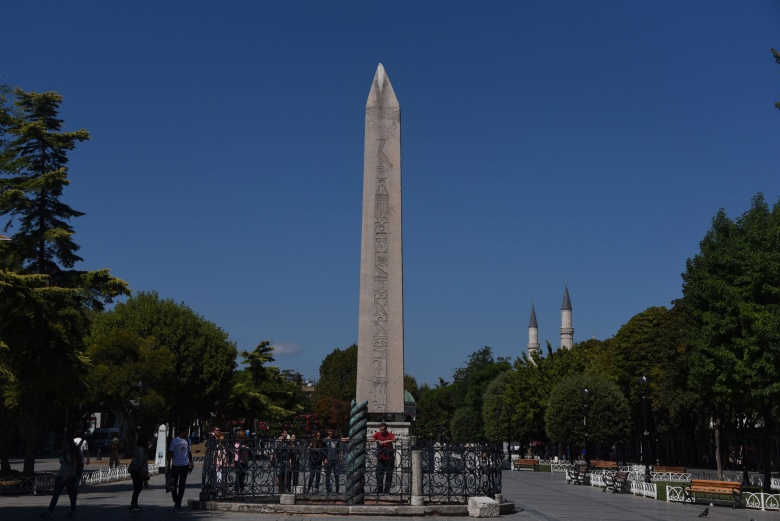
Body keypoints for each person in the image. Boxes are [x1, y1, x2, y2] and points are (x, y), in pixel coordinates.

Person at [41, 439, 80, 519]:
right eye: (63, 444)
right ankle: (49, 512)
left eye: (65, 444)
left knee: (72, 495)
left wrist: (67, 476)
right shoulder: (63, 453)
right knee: (55, 494)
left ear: (69, 445)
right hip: (60, 476)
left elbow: (74, 467)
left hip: (70, 477)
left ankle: (73, 511)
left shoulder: (73, 454)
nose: (64, 445)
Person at [167, 426, 194, 509]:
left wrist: (191, 463)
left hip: (185, 465)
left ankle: (178, 502)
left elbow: (189, 452)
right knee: (173, 485)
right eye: (186, 431)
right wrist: (168, 465)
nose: (187, 433)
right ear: (182, 432)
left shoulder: (188, 441)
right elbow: (170, 453)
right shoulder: (175, 441)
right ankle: (175, 499)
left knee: (182, 485)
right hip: (176, 465)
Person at [128, 433, 150, 512]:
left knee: (138, 488)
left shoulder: (143, 450)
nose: (148, 444)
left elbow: (144, 463)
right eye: (147, 442)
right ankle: (133, 504)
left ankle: (135, 503)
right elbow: (140, 463)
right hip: (135, 470)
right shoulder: (139, 450)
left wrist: (145, 473)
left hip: (139, 471)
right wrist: (144, 474)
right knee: (137, 487)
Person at [371, 423, 395, 493]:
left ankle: (387, 490)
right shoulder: (378, 434)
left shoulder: (390, 434)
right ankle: (380, 490)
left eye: (383, 430)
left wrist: (385, 441)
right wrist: (378, 441)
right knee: (379, 473)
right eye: (381, 430)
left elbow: (395, 439)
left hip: (389, 457)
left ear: (386, 429)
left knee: (389, 474)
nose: (382, 431)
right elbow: (371, 439)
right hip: (381, 457)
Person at [323, 428, 344, 494]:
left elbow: (339, 450)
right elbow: (324, 450)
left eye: (332, 431)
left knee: (337, 475)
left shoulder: (336, 439)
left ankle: (337, 490)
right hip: (329, 459)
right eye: (330, 431)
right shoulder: (325, 440)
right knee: (328, 475)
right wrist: (325, 459)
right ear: (328, 431)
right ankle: (328, 490)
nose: (331, 432)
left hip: (336, 459)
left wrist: (340, 458)